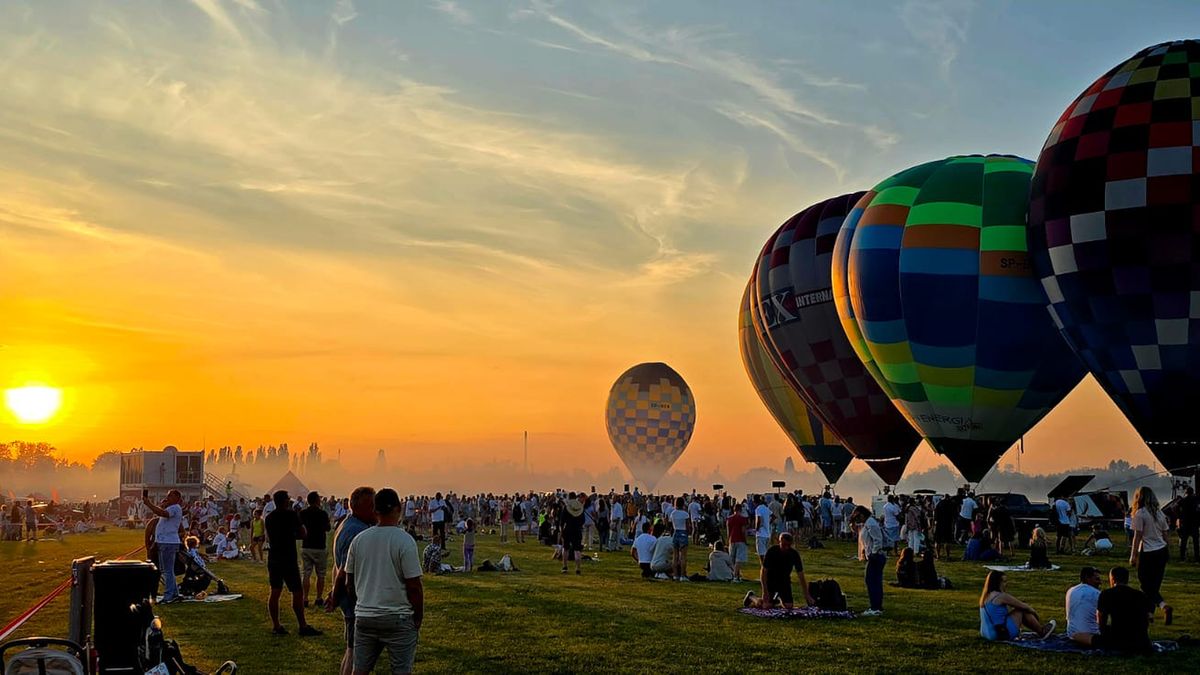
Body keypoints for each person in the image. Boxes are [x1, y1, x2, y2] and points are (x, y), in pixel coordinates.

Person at [341, 488, 423, 675]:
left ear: (375, 510)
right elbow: (414, 587)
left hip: (365, 616)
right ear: (398, 509)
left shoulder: (359, 540)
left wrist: (361, 603)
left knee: (359, 670)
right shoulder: (404, 541)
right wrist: (417, 616)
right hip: (398, 617)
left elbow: (349, 582)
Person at [328, 488, 376, 675]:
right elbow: (345, 572)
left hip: (349, 599)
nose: (376, 510)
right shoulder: (357, 532)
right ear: (362, 507)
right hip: (354, 600)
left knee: (351, 649)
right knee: (355, 652)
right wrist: (337, 594)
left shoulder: (346, 524)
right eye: (372, 506)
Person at [265, 490, 321, 636]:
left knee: (275, 592)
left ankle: (276, 626)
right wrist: (293, 534)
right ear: (285, 501)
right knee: (297, 592)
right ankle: (302, 625)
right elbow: (303, 533)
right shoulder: (291, 515)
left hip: (274, 557)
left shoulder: (269, 517)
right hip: (288, 557)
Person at [1129, 485, 1172, 625]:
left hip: (1148, 552)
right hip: (1161, 550)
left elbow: (1137, 536)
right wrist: (1168, 550)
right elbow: (1165, 534)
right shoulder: (1160, 513)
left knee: (1145, 584)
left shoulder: (1140, 514)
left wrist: (1133, 555)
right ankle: (1149, 614)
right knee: (1154, 584)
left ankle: (1162, 605)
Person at [742, 532, 812, 610]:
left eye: (788, 545)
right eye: (784, 545)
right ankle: (752, 597)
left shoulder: (794, 554)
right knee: (766, 606)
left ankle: (776, 599)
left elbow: (801, 576)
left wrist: (807, 595)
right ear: (779, 542)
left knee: (789, 606)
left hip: (784, 581)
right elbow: (763, 571)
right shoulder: (772, 551)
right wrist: (764, 591)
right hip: (770, 581)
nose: (786, 548)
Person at [978, 570, 1055, 641]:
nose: (1006, 584)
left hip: (986, 634)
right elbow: (1023, 606)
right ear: (998, 583)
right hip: (1000, 634)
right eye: (1004, 582)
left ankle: (1039, 629)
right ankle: (1042, 631)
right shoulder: (1000, 596)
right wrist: (1034, 613)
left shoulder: (985, 597)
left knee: (1015, 611)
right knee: (1021, 610)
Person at [1097, 566, 1152, 654]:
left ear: (1113, 579)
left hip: (1119, 641)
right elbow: (1146, 619)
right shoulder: (1140, 595)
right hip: (1141, 642)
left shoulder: (1106, 594)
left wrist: (1103, 634)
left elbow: (1101, 617)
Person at [143, 490, 184, 603]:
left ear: (177, 497)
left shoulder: (175, 508)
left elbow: (162, 513)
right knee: (167, 570)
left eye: (170, 496)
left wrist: (148, 504)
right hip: (165, 542)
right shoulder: (171, 508)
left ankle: (169, 596)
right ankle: (174, 593)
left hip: (168, 542)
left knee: (167, 570)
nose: (168, 498)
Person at [300, 491, 332, 608]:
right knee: (321, 575)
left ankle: (305, 598)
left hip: (307, 545)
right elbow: (328, 528)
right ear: (317, 501)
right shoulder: (322, 513)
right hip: (319, 546)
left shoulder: (303, 513)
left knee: (306, 574)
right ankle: (318, 597)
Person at [851, 506, 885, 616]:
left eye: (858, 517)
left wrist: (873, 553)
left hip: (875, 556)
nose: (857, 520)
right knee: (873, 581)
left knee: (872, 581)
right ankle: (876, 606)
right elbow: (855, 529)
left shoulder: (871, 523)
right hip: (873, 556)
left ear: (862, 514)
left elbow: (877, 539)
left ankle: (875, 607)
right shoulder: (867, 523)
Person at [1065, 566, 1102, 647]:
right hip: (1091, 635)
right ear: (1087, 578)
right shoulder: (1096, 594)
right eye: (1097, 579)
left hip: (1071, 633)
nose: (1100, 583)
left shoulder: (1070, 590)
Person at [560, 493, 585, 575]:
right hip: (577, 530)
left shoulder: (566, 507)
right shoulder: (580, 507)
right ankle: (578, 568)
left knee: (566, 548)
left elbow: (562, 520)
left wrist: (561, 530)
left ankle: (565, 566)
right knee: (577, 550)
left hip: (567, 529)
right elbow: (583, 521)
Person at [669, 496, 690, 582]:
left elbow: (670, 523)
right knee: (683, 556)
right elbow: (688, 526)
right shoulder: (685, 514)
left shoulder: (673, 513)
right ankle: (682, 575)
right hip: (683, 532)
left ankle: (675, 575)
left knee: (675, 556)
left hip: (675, 531)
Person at [1175, 486, 1198, 562]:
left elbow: (1174, 508)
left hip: (1185, 523)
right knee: (1196, 542)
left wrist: (1179, 516)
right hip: (1194, 523)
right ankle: (1197, 557)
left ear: (1186, 492)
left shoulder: (1182, 500)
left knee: (1184, 541)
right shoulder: (1196, 500)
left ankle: (1182, 557)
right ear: (1193, 492)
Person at [725, 507, 749, 581]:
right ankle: (735, 576)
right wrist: (745, 540)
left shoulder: (729, 519)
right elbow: (743, 530)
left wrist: (728, 540)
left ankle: (737, 575)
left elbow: (728, 531)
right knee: (739, 559)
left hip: (732, 540)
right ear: (740, 510)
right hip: (740, 540)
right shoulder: (742, 519)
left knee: (732, 559)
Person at [754, 497, 773, 563]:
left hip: (761, 534)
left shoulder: (758, 509)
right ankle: (768, 567)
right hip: (768, 534)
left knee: (761, 555)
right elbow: (773, 516)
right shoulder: (766, 508)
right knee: (767, 554)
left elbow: (758, 520)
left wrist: (756, 529)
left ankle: (764, 568)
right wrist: (769, 522)